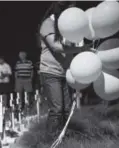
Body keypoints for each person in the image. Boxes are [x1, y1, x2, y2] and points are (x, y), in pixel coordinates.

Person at [38, 1, 92, 134]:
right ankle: (49, 141)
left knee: (66, 110)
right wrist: (80, 49)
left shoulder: (68, 26)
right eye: (70, 10)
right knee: (57, 110)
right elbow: (56, 47)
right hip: (50, 71)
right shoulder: (48, 24)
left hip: (65, 72)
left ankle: (62, 139)